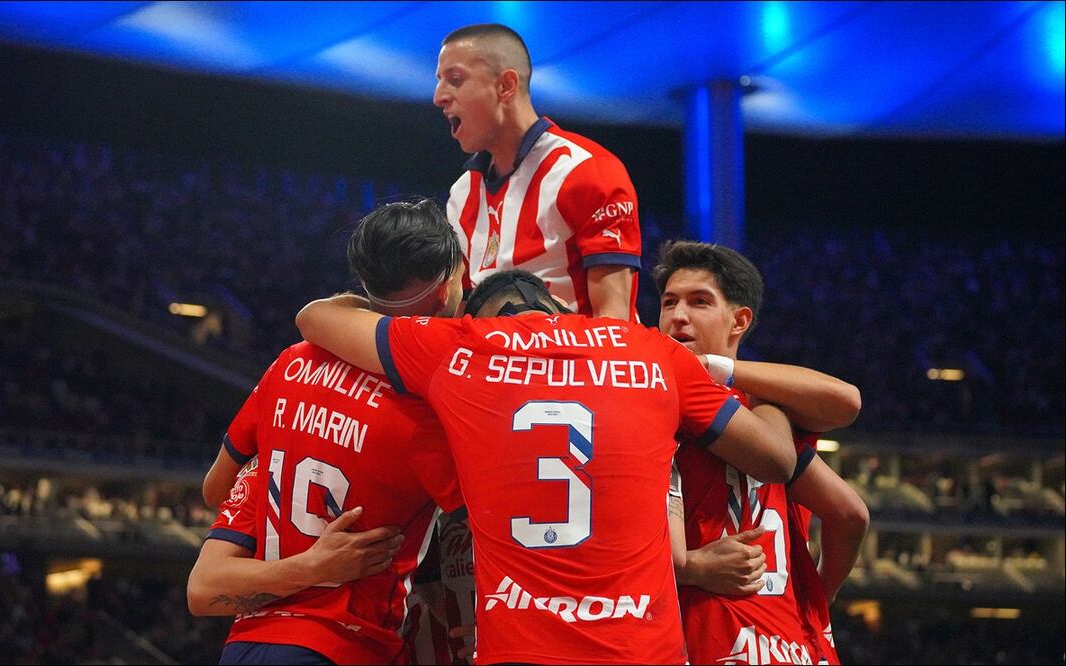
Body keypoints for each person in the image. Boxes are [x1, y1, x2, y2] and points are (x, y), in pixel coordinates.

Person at [295, 268, 798, 664]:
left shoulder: (460, 349)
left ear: (477, 320)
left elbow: (315, 317)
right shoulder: (651, 351)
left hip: (521, 649)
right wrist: (772, 405)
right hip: (640, 649)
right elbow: (776, 460)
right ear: (559, 306)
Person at [188, 199, 469, 665]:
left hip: (246, 645)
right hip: (342, 645)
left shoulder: (292, 360)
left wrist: (281, 467)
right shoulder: (427, 405)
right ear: (445, 289)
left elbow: (216, 489)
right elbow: (489, 521)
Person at [653, 240, 869, 665]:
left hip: (704, 643)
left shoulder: (665, 408)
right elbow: (850, 515)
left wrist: (714, 368)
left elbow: (849, 402)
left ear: (739, 321)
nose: (678, 315)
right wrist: (815, 601)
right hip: (792, 647)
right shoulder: (769, 412)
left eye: (699, 302)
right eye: (668, 302)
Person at [434, 23, 641, 320]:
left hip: (575, 351)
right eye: (440, 81)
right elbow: (460, 316)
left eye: (455, 80)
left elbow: (614, 321)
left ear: (506, 85)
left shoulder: (586, 170)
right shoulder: (462, 193)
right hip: (488, 350)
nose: (438, 96)